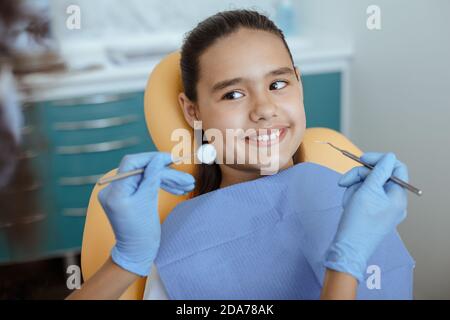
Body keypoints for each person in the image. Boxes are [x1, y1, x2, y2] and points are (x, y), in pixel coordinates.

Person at [67, 10, 410, 300]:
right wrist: (126, 262)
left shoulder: (357, 204)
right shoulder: (187, 250)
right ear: (192, 112)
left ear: (299, 85)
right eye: (233, 94)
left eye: (278, 84)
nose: (264, 109)